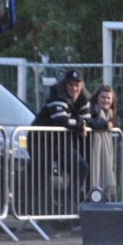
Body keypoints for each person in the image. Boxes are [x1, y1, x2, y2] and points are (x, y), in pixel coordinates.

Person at [29, 68, 91, 212]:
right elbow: (62, 120)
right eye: (70, 85)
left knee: (81, 167)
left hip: (60, 143)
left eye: (77, 85)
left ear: (82, 85)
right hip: (41, 141)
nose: (74, 89)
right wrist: (80, 124)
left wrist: (81, 123)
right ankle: (43, 214)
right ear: (65, 84)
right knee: (42, 175)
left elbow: (88, 121)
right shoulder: (56, 95)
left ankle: (68, 208)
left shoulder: (83, 98)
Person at [87, 84, 118, 201]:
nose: (106, 100)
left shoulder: (111, 114)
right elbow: (90, 122)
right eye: (103, 97)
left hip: (107, 154)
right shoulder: (91, 110)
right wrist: (104, 124)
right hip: (93, 152)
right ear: (97, 98)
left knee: (109, 180)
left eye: (108, 98)